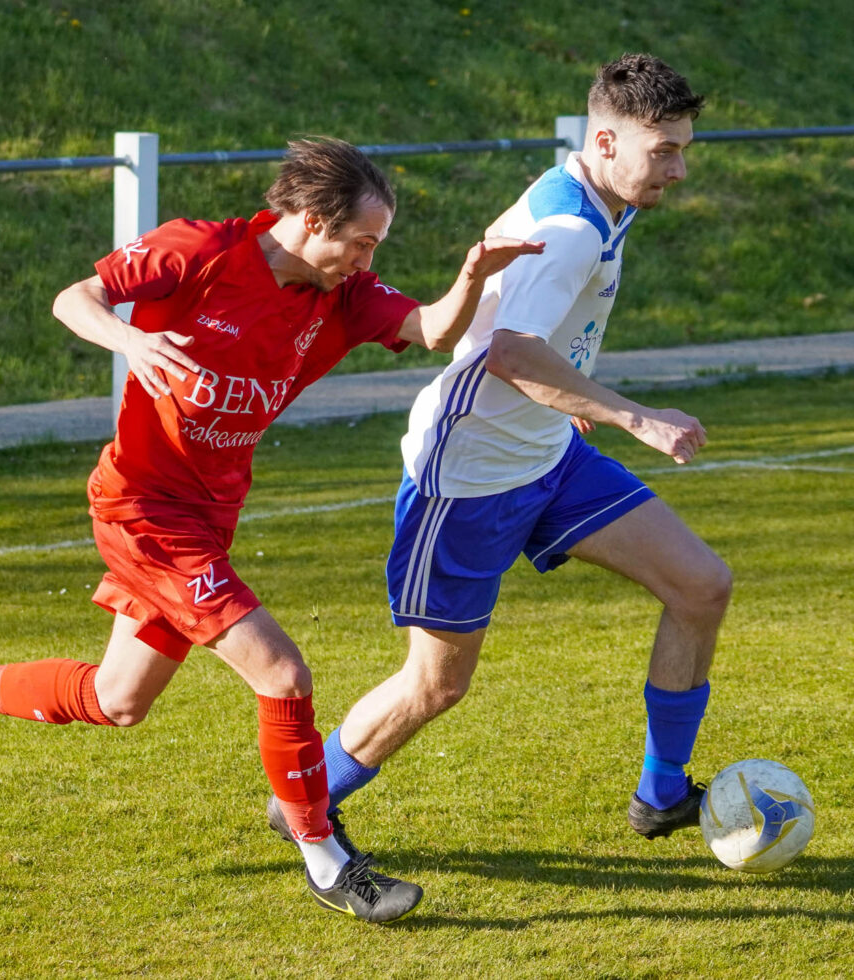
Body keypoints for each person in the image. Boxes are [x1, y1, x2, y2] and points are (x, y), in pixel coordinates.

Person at [0, 137, 543, 924]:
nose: (366, 259)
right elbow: (73, 298)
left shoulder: (343, 293)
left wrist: (472, 274)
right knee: (283, 675)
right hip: (143, 509)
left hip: (208, 515)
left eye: (376, 245)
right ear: (305, 220)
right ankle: (328, 862)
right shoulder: (201, 251)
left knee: (118, 698)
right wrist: (134, 341)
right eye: (360, 240)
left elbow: (433, 329)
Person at [268, 55, 732, 863]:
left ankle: (662, 795)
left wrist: (573, 405)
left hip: (547, 453)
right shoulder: (571, 228)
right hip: (470, 473)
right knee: (436, 684)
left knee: (700, 585)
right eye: (664, 151)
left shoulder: (601, 199)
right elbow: (509, 355)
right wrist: (635, 417)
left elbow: (536, 343)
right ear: (605, 140)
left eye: (684, 148)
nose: (679, 168)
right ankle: (303, 802)